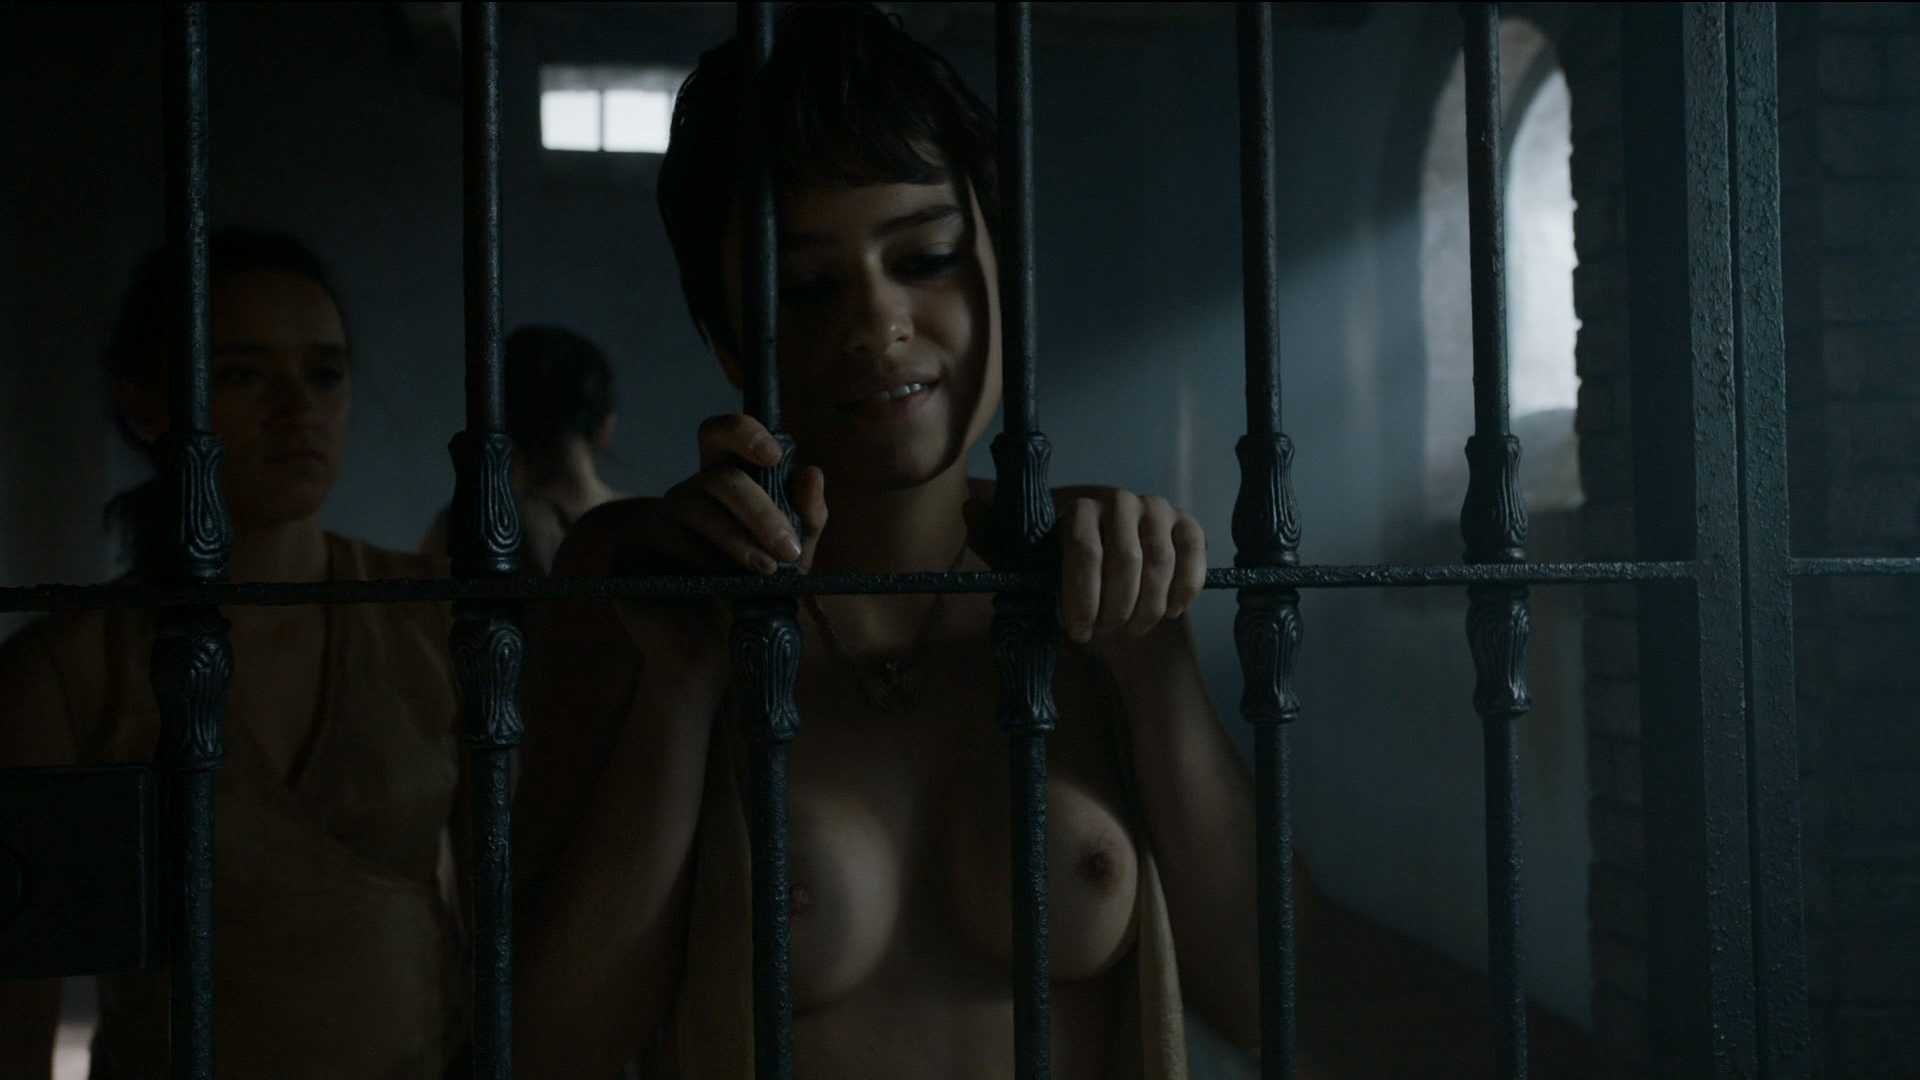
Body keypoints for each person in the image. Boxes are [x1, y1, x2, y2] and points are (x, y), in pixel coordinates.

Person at [511, 6, 1287, 1077]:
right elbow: (546, 1049)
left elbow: (1273, 1005)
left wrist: (1151, 662)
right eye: (807, 286)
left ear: (1001, 268)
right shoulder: (638, 580)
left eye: (925, 257)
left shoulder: (1095, 578)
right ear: (728, 338)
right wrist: (678, 699)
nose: (879, 324)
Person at [0, 229, 468, 1078]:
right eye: (243, 375)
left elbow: (516, 910)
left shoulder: (431, 617)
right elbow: (19, 1007)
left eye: (324, 374)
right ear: (147, 404)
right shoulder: (75, 669)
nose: (299, 410)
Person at [419, 325, 627, 574]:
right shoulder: (645, 523)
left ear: (500, 421)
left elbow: (423, 595)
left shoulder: (475, 524)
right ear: (606, 425)